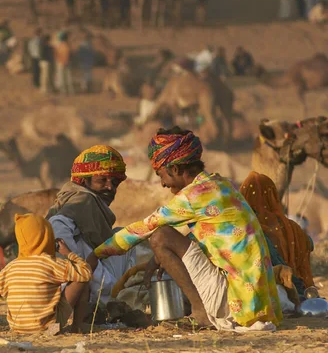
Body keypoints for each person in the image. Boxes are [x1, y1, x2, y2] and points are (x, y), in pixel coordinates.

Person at [87, 127, 282, 331]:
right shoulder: (221, 184)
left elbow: (144, 228)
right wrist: (157, 259)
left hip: (235, 303)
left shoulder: (193, 196)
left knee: (160, 237)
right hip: (258, 302)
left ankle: (200, 313)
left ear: (176, 169)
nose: (162, 183)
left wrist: (96, 254)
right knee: (165, 239)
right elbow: (212, 237)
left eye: (161, 174)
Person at [47, 145, 136, 305]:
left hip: (89, 280)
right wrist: (79, 272)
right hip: (84, 288)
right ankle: (120, 299)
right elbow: (56, 225)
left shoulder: (82, 201)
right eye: (102, 180)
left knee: (122, 234)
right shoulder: (82, 200)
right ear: (84, 181)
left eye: (114, 182)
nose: (110, 187)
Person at [0, 213, 92, 334]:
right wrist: (68, 253)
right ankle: (77, 328)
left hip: (17, 329)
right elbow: (86, 272)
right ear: (46, 237)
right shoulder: (51, 263)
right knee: (81, 280)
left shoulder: (11, 267)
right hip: (49, 329)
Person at [239, 172, 315, 293]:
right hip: (298, 292)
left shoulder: (245, 230)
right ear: (273, 195)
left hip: (260, 294)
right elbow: (309, 244)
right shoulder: (293, 227)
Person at [54, 31, 73, 96]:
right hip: (67, 62)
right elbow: (70, 54)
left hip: (60, 63)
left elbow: (56, 55)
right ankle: (70, 91)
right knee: (68, 77)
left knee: (61, 78)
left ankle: (64, 91)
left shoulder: (58, 45)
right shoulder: (68, 45)